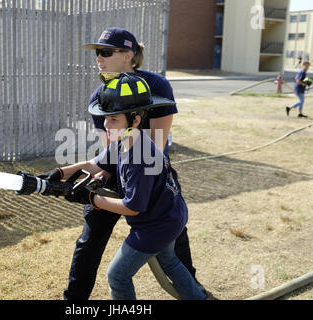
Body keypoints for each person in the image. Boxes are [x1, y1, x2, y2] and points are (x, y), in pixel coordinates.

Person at [38, 27, 202, 300]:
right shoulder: (100, 97)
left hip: (149, 172)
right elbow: (109, 152)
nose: (98, 58)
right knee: (89, 241)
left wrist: (95, 196)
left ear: (129, 55)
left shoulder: (157, 86)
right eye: (97, 53)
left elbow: (155, 151)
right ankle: (74, 300)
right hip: (121, 170)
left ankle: (194, 292)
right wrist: (64, 175)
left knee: (168, 236)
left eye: (106, 52)